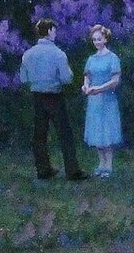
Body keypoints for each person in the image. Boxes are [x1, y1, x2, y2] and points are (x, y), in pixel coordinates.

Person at [19, 18, 89, 181]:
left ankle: (43, 169)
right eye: (54, 30)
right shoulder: (58, 54)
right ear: (50, 31)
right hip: (55, 96)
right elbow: (66, 78)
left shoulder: (28, 54)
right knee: (64, 134)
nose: (55, 33)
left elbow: (23, 78)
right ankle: (72, 171)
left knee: (39, 135)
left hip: (37, 96)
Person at [81, 23, 123, 178]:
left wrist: (99, 88)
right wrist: (86, 87)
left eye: (99, 39)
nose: (96, 42)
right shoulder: (91, 59)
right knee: (96, 132)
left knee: (107, 132)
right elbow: (87, 76)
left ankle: (109, 165)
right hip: (94, 101)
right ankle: (100, 163)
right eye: (94, 40)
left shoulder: (112, 58)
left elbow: (115, 81)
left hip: (107, 100)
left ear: (105, 39)